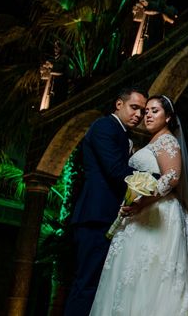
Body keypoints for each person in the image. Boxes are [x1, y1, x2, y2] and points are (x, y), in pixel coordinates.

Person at [89, 94, 188, 315]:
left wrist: (144, 200)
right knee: (133, 277)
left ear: (168, 117)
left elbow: (172, 176)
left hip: (159, 214)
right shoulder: (150, 142)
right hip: (139, 215)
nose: (147, 116)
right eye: (146, 111)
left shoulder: (167, 140)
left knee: (159, 274)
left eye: (154, 111)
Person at [64, 87, 148, 316]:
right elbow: (114, 170)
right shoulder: (104, 127)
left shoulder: (121, 133)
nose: (139, 115)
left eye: (142, 110)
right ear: (119, 104)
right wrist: (154, 181)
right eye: (134, 108)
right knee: (87, 284)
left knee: (100, 285)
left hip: (108, 216)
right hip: (95, 215)